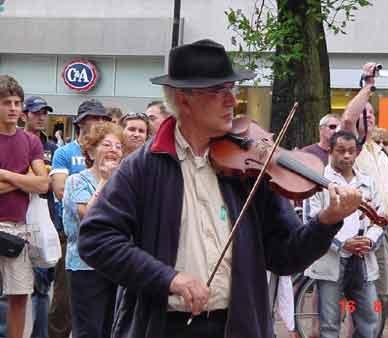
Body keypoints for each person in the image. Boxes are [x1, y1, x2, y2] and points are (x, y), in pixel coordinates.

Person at [77, 39, 363, 338]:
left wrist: (325, 223)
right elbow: (96, 239)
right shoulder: (144, 166)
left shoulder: (248, 169)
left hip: (237, 326)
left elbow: (285, 256)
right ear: (183, 99)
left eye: (232, 90)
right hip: (165, 327)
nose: (231, 101)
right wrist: (169, 279)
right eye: (219, 91)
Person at [304, 131, 383, 338]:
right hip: (331, 259)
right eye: (341, 151)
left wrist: (369, 240)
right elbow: (311, 221)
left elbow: (380, 220)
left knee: (369, 322)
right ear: (330, 151)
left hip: (362, 258)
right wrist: (342, 243)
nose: (347, 156)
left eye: (351, 151)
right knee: (329, 324)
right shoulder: (318, 181)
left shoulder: (367, 182)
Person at [340, 63, 388, 338]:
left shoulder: (381, 152)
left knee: (384, 297)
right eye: (367, 112)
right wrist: (367, 86)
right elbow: (348, 119)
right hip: (361, 233)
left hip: (384, 232)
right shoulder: (355, 147)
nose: (371, 117)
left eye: (373, 113)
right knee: (364, 299)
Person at [48, 99, 111, 338]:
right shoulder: (65, 152)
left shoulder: (112, 152)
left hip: (106, 243)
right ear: (80, 122)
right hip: (71, 235)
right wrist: (87, 190)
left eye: (100, 118)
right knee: (63, 303)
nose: (96, 122)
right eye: (90, 119)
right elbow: (61, 190)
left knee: (102, 317)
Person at [63, 122, 123, 338]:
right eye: (107, 144)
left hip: (117, 266)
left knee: (113, 329)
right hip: (85, 267)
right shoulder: (76, 181)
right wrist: (105, 181)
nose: (114, 150)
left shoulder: (124, 183)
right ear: (90, 150)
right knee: (89, 331)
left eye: (118, 146)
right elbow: (88, 216)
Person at [0, 75, 49, 338]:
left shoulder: (30, 141)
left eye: (17, 102)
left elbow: (43, 185)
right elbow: (34, 181)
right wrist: (24, 179)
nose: (13, 108)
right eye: (6, 102)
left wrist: (6, 174)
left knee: (19, 296)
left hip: (19, 229)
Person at [23, 95, 58, 338]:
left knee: (43, 284)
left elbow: (49, 186)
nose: (41, 117)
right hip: (18, 217)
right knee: (18, 288)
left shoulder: (53, 148)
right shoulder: (15, 142)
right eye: (36, 112)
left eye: (44, 112)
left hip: (46, 219)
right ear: (25, 115)